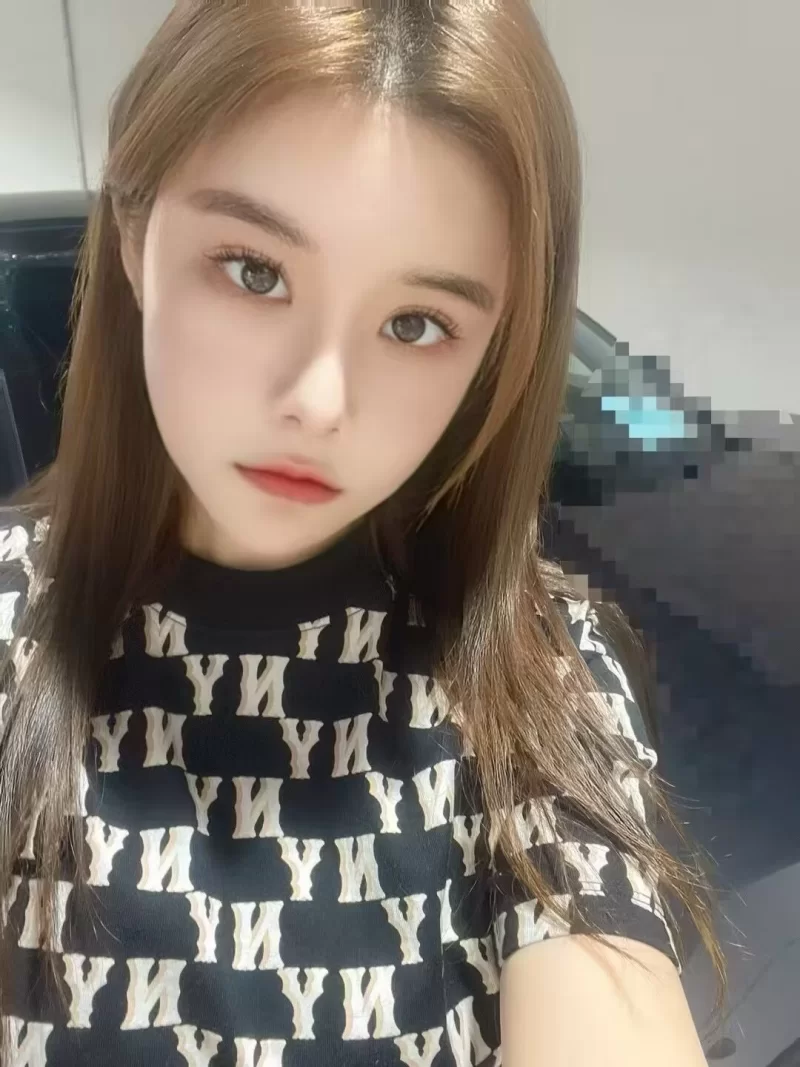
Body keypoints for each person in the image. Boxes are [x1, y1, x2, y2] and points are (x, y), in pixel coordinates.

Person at [0, 2, 724, 1064]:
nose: (319, 400)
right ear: (136, 238)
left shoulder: (533, 676)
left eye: (415, 324)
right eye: (254, 270)